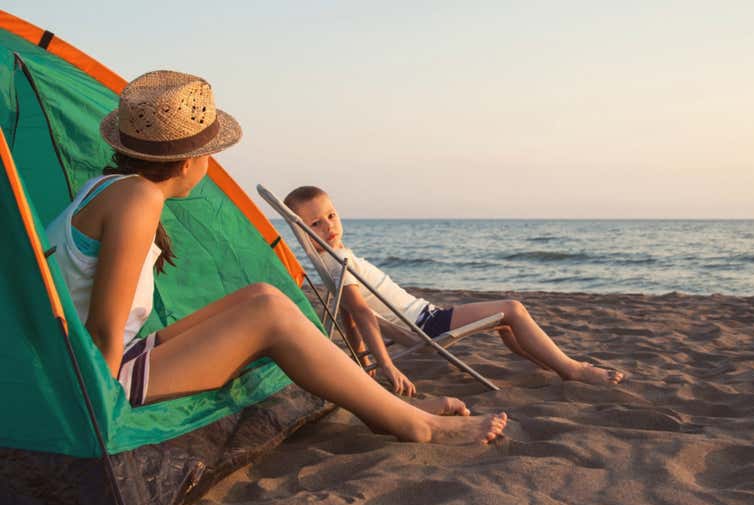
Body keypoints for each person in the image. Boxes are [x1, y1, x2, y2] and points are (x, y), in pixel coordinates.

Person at [45, 70, 507, 445]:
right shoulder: (138, 199)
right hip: (94, 377)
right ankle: (410, 423)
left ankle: (387, 405)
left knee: (263, 294)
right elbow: (103, 330)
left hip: (103, 357)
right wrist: (99, 417)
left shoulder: (106, 189)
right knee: (270, 315)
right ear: (190, 160)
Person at [284, 186, 625, 396]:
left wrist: (364, 364)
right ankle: (571, 369)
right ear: (300, 229)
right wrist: (384, 366)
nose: (328, 226)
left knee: (505, 322)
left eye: (331, 215)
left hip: (424, 317)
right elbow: (358, 312)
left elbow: (349, 312)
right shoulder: (338, 259)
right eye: (316, 223)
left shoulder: (332, 261)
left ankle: (554, 364)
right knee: (514, 308)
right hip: (426, 324)